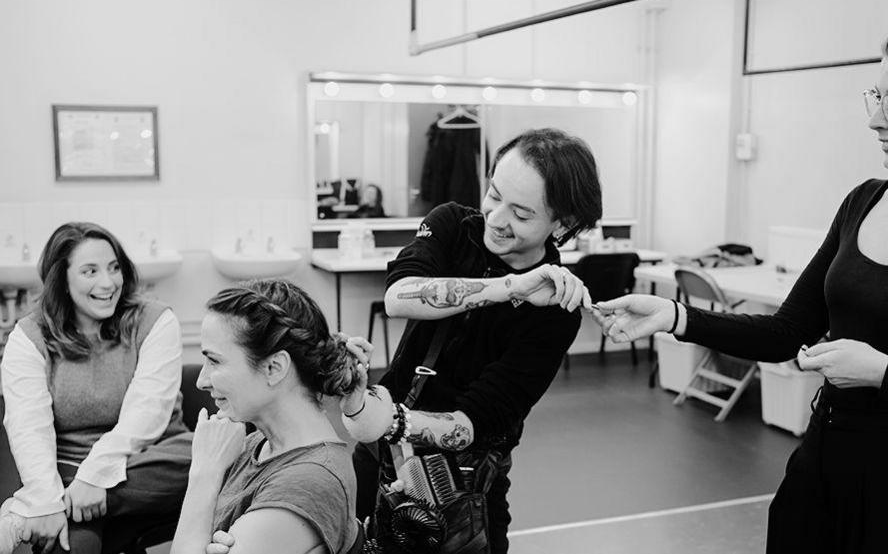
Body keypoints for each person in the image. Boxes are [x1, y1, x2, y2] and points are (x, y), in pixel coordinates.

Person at [595, 0, 888, 553]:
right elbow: (787, 331)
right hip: (824, 475)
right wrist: (676, 315)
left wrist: (887, 373)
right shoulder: (865, 202)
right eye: (878, 96)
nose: (877, 117)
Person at [343, 127, 604, 553]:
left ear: (564, 223)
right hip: (379, 459)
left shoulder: (556, 312)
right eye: (494, 194)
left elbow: (474, 424)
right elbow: (398, 296)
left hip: (462, 488)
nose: (497, 219)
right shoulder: (451, 224)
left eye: (521, 214)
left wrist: (390, 421)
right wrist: (511, 287)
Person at [0, 222, 191, 554]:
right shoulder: (29, 337)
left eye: (114, 268)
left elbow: (147, 413)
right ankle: (59, 504)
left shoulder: (155, 320)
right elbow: (28, 426)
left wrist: (93, 478)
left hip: (154, 458)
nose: (108, 283)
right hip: (69, 467)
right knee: (71, 544)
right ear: (62, 279)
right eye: (90, 271)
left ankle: (32, 512)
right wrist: (50, 492)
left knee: (203, 456)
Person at [168, 279, 366, 554]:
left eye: (214, 361)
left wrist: (205, 473)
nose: (201, 381)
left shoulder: (308, 483)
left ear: (274, 367)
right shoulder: (254, 444)